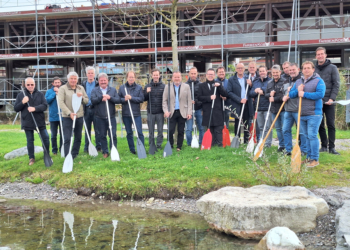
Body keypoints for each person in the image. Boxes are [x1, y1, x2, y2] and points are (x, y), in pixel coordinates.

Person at [289, 61, 325, 168]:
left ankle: (315, 159)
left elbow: (320, 94)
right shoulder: (298, 81)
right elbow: (291, 95)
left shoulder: (319, 81)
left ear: (313, 69)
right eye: (304, 68)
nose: (306, 70)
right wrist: (298, 91)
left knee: (312, 136)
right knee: (305, 136)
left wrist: (304, 94)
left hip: (314, 113)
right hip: (301, 113)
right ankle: (309, 158)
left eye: (308, 68)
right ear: (302, 70)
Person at [14, 77, 50, 166]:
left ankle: (47, 154)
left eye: (32, 84)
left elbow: (45, 106)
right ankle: (31, 158)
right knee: (30, 140)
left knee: (45, 138)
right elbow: (16, 109)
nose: (30, 86)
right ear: (25, 85)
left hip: (39, 121)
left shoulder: (40, 94)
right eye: (28, 85)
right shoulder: (21, 95)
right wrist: (22, 102)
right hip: (27, 121)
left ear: (35, 84)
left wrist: (35, 108)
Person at [315, 47, 341, 155]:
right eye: (318, 54)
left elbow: (336, 84)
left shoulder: (333, 68)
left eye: (322, 54)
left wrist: (332, 98)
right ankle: (324, 146)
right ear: (316, 56)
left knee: (330, 124)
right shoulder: (314, 69)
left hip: (329, 101)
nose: (320, 56)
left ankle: (332, 147)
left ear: (325, 55)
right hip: (318, 101)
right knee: (320, 125)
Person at [58, 72, 89, 159]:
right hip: (67, 117)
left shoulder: (81, 88)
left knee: (78, 137)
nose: (73, 80)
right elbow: (61, 102)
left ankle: (74, 154)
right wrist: (69, 113)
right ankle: (67, 154)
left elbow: (86, 100)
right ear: (68, 79)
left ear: (77, 80)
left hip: (79, 116)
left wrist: (82, 97)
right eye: (71, 78)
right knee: (67, 137)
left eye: (75, 79)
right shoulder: (63, 89)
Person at [91, 73, 120, 158]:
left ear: (107, 81)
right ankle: (105, 151)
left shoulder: (113, 90)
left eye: (104, 80)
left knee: (113, 135)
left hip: (111, 117)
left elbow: (118, 100)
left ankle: (113, 149)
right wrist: (101, 98)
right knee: (102, 135)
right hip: (100, 117)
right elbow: (93, 100)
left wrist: (110, 97)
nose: (103, 82)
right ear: (99, 81)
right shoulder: (95, 90)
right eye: (101, 80)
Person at [162, 71, 192, 151]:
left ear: (181, 78)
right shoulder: (167, 87)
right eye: (175, 77)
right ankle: (170, 146)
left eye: (178, 77)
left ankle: (179, 146)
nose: (177, 78)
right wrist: (165, 111)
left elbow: (189, 100)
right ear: (172, 78)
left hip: (183, 112)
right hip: (171, 112)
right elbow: (164, 101)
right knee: (170, 130)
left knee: (181, 131)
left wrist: (189, 112)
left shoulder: (186, 87)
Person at [198, 68, 228, 147]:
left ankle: (219, 144)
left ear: (214, 75)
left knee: (218, 128)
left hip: (217, 110)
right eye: (209, 74)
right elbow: (199, 97)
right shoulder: (201, 86)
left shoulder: (218, 84)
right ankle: (211, 143)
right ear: (206, 75)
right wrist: (209, 98)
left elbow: (225, 94)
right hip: (208, 110)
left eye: (212, 74)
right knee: (210, 128)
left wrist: (220, 87)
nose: (210, 76)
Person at [282, 63, 307, 156]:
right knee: (285, 130)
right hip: (288, 110)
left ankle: (303, 149)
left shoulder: (302, 80)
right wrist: (283, 97)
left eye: (293, 69)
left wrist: (293, 90)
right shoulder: (285, 81)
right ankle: (288, 149)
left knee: (301, 131)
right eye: (290, 70)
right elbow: (281, 93)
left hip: (298, 109)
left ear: (298, 69)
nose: (292, 71)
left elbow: (303, 92)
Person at [118, 71, 145, 154]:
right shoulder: (122, 88)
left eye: (132, 77)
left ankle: (141, 149)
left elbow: (141, 99)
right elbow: (118, 99)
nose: (131, 78)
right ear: (127, 78)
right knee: (129, 133)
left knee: (139, 132)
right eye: (130, 77)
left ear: (135, 78)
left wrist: (131, 98)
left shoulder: (139, 88)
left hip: (136, 114)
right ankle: (132, 149)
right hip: (126, 114)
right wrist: (124, 99)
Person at [227, 63, 253, 144]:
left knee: (246, 122)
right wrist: (239, 99)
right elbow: (229, 92)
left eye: (242, 68)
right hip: (237, 104)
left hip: (247, 104)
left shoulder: (248, 78)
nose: (240, 69)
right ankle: (237, 140)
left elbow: (252, 91)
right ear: (236, 69)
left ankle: (246, 140)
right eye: (238, 68)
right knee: (237, 122)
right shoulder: (231, 79)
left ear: (244, 69)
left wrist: (251, 84)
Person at [249, 66, 273, 147]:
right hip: (258, 107)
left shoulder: (270, 81)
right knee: (261, 126)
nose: (262, 72)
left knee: (268, 126)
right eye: (260, 71)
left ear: (267, 71)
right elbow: (251, 93)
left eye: (263, 71)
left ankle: (268, 144)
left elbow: (270, 91)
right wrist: (256, 91)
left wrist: (262, 90)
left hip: (267, 107)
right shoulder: (256, 81)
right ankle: (261, 142)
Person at [144, 68, 165, 150]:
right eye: (154, 75)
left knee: (160, 130)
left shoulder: (163, 86)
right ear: (152, 76)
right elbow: (143, 98)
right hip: (151, 112)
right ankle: (151, 144)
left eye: (157, 75)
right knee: (151, 131)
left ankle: (159, 145)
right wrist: (146, 92)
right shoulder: (147, 86)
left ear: (159, 76)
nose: (155, 76)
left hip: (160, 112)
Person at [266, 65, 285, 152]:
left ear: (280, 72)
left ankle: (287, 146)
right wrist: (270, 95)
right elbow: (266, 94)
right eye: (273, 73)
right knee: (278, 128)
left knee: (285, 128)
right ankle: (281, 145)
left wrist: (274, 98)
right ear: (271, 73)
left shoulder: (284, 82)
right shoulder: (269, 83)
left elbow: (284, 96)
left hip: (283, 109)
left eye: (277, 72)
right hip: (274, 110)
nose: (275, 74)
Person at [82, 66, 101, 153]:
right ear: (86, 74)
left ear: (94, 74)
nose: (90, 75)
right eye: (89, 73)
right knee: (87, 129)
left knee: (97, 129)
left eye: (92, 73)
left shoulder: (98, 84)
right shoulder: (82, 84)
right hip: (86, 109)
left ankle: (98, 146)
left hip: (95, 109)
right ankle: (87, 147)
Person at [185, 67, 204, 146]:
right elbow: (182, 98)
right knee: (189, 129)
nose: (193, 75)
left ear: (197, 74)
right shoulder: (185, 85)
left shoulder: (201, 85)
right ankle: (189, 143)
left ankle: (201, 142)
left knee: (201, 127)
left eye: (194, 73)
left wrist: (197, 102)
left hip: (199, 109)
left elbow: (203, 97)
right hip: (189, 110)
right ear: (189, 74)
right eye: (191, 73)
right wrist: (189, 101)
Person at [45, 76, 63, 155]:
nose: (57, 84)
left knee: (63, 135)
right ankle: (54, 150)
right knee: (53, 135)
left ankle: (62, 149)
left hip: (62, 116)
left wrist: (59, 92)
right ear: (53, 83)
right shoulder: (49, 92)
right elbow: (46, 101)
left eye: (58, 82)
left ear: (60, 83)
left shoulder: (63, 91)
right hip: (53, 117)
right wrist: (54, 94)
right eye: (56, 82)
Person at [247, 61, 260, 140]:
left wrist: (251, 85)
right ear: (248, 69)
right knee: (248, 120)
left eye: (253, 67)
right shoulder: (245, 76)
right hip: (247, 102)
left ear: (256, 68)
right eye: (250, 68)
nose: (251, 69)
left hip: (257, 102)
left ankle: (258, 138)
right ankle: (249, 137)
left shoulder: (259, 77)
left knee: (257, 121)